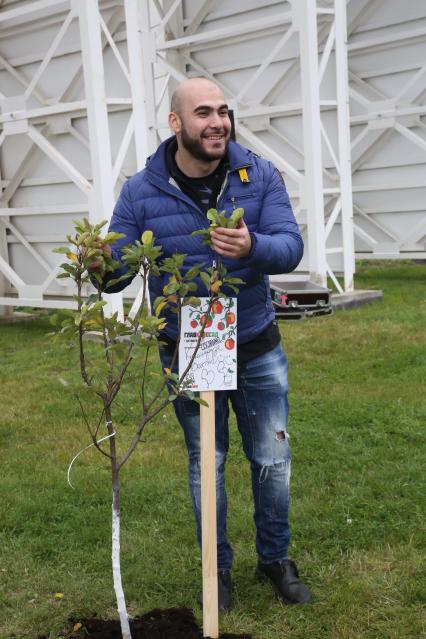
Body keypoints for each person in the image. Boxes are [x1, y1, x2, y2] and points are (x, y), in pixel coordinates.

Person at [103, 77, 312, 610]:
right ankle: (217, 573)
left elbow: (290, 248)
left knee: (272, 457)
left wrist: (252, 245)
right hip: (192, 344)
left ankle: (275, 560)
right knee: (208, 464)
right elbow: (117, 268)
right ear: (175, 123)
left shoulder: (257, 174)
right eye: (203, 112)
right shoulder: (141, 190)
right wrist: (96, 263)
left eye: (223, 110)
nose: (218, 121)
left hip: (256, 341)